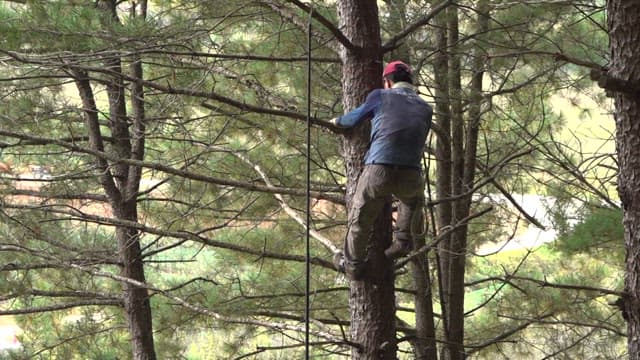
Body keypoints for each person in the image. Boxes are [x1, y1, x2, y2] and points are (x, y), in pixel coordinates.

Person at [331, 60, 432, 280]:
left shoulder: (380, 96)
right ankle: (402, 242)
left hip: (380, 167)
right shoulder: (426, 107)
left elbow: (352, 120)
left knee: (361, 218)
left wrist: (336, 121)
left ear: (387, 82)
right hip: (411, 171)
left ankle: (352, 266)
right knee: (412, 202)